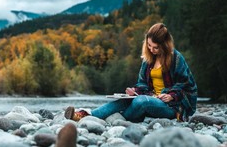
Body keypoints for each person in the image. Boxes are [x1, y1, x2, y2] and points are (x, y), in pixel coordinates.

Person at [65, 23, 198, 122]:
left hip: (172, 107)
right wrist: (134, 90)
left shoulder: (176, 58)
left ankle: (118, 119)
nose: (151, 50)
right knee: (124, 100)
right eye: (149, 46)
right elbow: (142, 84)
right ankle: (84, 116)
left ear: (165, 45)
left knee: (140, 102)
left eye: (155, 47)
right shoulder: (149, 59)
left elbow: (187, 85)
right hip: (150, 98)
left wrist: (171, 96)